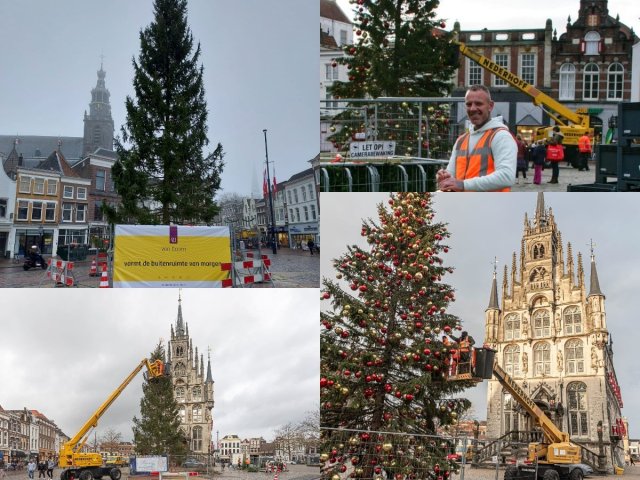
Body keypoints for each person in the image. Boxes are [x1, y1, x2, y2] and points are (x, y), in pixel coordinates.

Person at [437, 85, 516, 192]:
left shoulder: (500, 136)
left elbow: (507, 176)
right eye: (468, 104)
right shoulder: (461, 140)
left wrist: (463, 185)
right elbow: (452, 174)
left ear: (490, 106)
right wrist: (445, 177)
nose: (473, 108)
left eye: (478, 103)